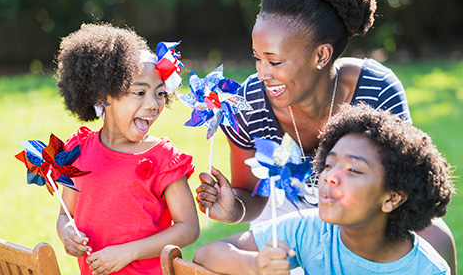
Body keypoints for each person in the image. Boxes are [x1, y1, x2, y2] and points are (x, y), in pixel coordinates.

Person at [195, 0, 456, 273]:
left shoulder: (376, 88)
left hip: (360, 202)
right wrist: (232, 208)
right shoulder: (248, 100)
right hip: (285, 213)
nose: (262, 73)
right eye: (256, 58)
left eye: (275, 62)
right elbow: (251, 195)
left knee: (437, 239)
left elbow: (398, 176)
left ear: (321, 54)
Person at [194, 103, 455, 275]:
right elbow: (206, 254)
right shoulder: (308, 230)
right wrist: (254, 265)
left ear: (392, 198)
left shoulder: (428, 270)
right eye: (329, 165)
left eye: (353, 170)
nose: (329, 177)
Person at [55, 23, 199, 275]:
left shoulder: (163, 157)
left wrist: (129, 251)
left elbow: (188, 227)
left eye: (160, 94)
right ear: (103, 96)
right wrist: (67, 232)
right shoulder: (77, 151)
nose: (153, 104)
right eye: (140, 92)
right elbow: (65, 214)